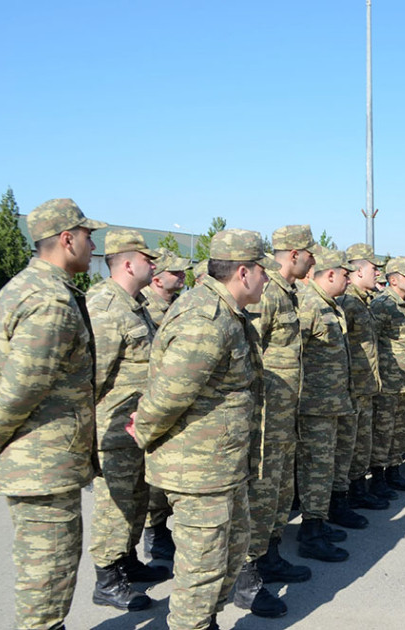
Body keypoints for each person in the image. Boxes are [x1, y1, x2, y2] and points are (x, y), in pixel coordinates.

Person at [0, 198, 106, 630]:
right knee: (49, 573)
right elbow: (22, 385)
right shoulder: (50, 301)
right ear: (67, 239)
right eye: (88, 236)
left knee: (44, 568)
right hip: (44, 462)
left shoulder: (19, 289)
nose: (93, 245)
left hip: (35, 457)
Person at [130, 229, 278, 626]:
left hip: (223, 467)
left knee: (227, 561)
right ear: (243, 272)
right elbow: (170, 393)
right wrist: (143, 431)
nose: (267, 278)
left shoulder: (226, 311)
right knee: (201, 576)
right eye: (263, 270)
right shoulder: (206, 318)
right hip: (198, 471)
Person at [86, 230, 166, 612]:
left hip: (136, 427)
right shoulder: (105, 306)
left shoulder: (136, 305)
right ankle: (107, 578)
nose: (154, 266)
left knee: (136, 499)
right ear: (128, 263)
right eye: (148, 259)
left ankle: (126, 559)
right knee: (114, 504)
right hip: (114, 426)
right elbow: (92, 378)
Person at [245, 225, 316, 590]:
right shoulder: (267, 293)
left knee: (280, 490)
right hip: (267, 415)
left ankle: (270, 555)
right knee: (262, 491)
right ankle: (250, 570)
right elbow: (250, 353)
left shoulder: (288, 292)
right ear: (294, 254)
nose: (313, 260)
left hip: (286, 414)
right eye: (310, 253)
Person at [295, 248, 357, 563]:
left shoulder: (330, 305)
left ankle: (317, 523)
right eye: (346, 275)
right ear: (330, 274)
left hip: (329, 404)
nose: (350, 280)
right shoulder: (309, 305)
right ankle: (310, 534)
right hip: (313, 406)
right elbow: (293, 354)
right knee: (315, 468)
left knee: (323, 466)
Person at [139, 248, 192, 561]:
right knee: (148, 482)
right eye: (175, 272)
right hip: (147, 403)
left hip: (168, 403)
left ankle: (159, 531)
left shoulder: (177, 305)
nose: (182, 276)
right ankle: (154, 534)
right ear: (157, 278)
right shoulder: (145, 307)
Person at [336, 243, 390, 510]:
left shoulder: (362, 301)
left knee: (361, 443)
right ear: (358, 271)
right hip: (353, 388)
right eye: (374, 268)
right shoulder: (348, 303)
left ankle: (358, 489)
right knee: (348, 445)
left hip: (365, 387)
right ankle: (344, 497)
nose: (378, 273)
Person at [370, 256, 405, 492]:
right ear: (393, 280)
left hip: (404, 380)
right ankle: (378, 477)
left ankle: (393, 471)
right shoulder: (382, 304)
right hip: (388, 381)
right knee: (383, 429)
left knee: (399, 429)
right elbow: (372, 341)